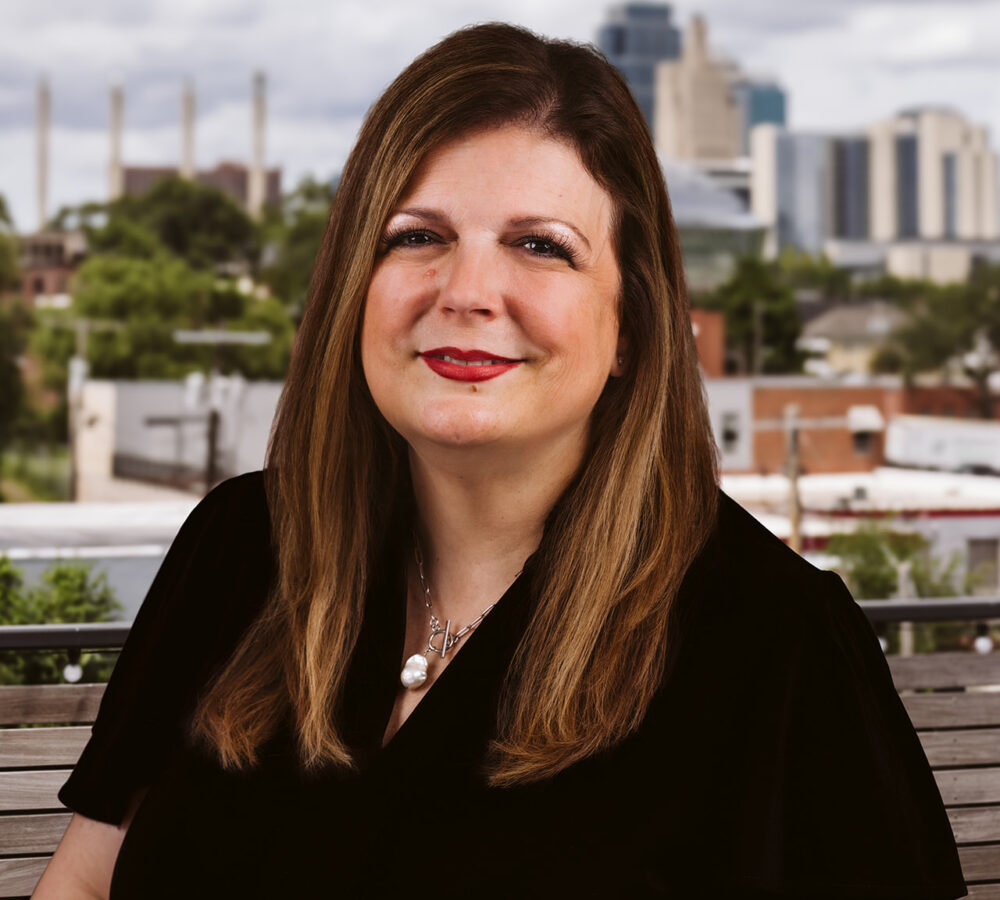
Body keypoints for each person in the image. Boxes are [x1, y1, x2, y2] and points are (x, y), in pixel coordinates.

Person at [36, 23, 966, 900]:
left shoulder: (781, 644)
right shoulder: (240, 549)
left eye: (538, 246)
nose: (468, 291)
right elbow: (82, 884)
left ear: (631, 329)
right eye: (418, 236)